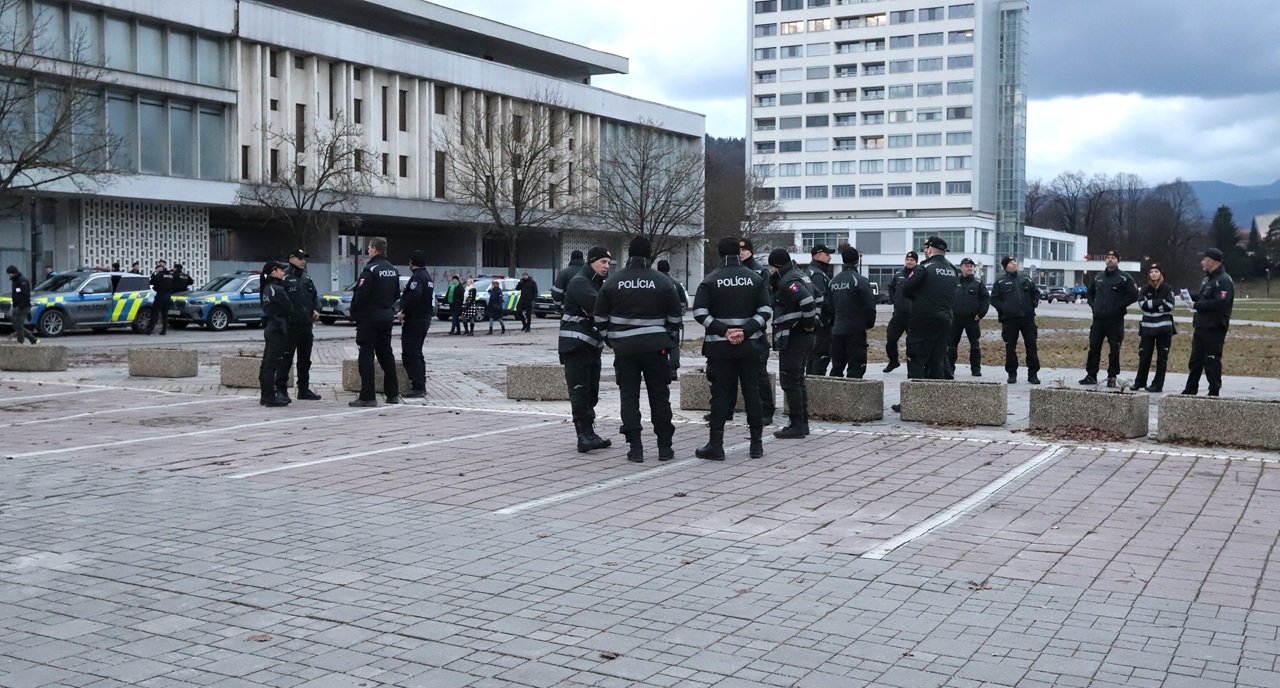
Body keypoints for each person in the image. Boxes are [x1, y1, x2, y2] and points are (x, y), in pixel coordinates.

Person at [595, 237, 683, 463]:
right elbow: (675, 317)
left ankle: (635, 448)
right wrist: (668, 338)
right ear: (649, 255)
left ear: (629, 254)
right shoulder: (662, 281)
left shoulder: (613, 281)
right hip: (657, 349)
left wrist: (611, 340)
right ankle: (665, 447)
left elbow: (600, 317)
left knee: (629, 397)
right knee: (660, 397)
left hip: (625, 350)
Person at [693, 237, 771, 460]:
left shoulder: (710, 280)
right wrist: (745, 330)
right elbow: (765, 309)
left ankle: (715, 446)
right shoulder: (755, 278)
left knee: (720, 396)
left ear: (719, 253)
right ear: (739, 251)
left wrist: (724, 330)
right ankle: (756, 445)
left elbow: (699, 313)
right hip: (750, 346)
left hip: (720, 349)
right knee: (752, 394)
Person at [560, 246, 613, 452]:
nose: (606, 266)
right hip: (576, 346)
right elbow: (597, 307)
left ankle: (590, 433)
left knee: (591, 392)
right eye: (603, 262)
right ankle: (583, 435)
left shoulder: (595, 283)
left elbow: (600, 308)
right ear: (591, 262)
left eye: (608, 263)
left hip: (590, 346)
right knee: (580, 392)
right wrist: (597, 310)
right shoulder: (580, 282)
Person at [768, 247, 817, 438]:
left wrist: (808, 324)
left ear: (776, 266)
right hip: (803, 337)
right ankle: (802, 423)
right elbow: (819, 296)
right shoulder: (801, 275)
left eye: (772, 268)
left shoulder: (788, 280)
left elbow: (807, 301)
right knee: (798, 379)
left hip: (794, 336)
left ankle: (796, 424)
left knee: (790, 380)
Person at [349, 237, 402, 407]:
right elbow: (396, 295)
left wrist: (354, 313)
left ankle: (367, 396)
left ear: (373, 249)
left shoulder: (370, 270)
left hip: (369, 319)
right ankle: (392, 394)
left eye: (370, 248)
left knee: (366, 356)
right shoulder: (393, 270)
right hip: (386, 318)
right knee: (386, 355)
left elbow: (360, 296)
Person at [900, 237, 957, 387]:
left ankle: (913, 399)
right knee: (937, 360)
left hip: (922, 320)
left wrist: (917, 298)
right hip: (944, 320)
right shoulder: (952, 269)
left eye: (926, 248)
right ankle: (935, 399)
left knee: (916, 359)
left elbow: (905, 289)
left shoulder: (924, 268)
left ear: (929, 250)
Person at [1080, 250, 1139, 387]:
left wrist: (1120, 306)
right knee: (1094, 347)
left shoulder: (1124, 278)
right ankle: (1091, 375)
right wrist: (1094, 306)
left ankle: (1112, 377)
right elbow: (1090, 293)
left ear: (1118, 261)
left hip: (1115, 320)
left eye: (1113, 258)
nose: (1110, 260)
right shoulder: (1098, 277)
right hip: (1098, 320)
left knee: (1114, 349)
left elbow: (1133, 295)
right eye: (1108, 258)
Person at [1182, 247, 1235, 396]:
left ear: (1211, 261)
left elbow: (1220, 303)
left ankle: (1214, 390)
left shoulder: (1224, 280)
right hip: (1201, 325)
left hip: (1214, 326)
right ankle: (1191, 388)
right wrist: (1190, 297)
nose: (1201, 262)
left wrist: (1197, 305)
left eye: (1204, 259)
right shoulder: (1208, 279)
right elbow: (1203, 297)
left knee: (1212, 359)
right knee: (1195, 360)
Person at [738, 238, 776, 424]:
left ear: (751, 251)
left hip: (755, 330)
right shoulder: (734, 271)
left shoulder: (761, 272)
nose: (741, 253)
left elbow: (767, 301)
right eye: (739, 250)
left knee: (759, 373)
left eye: (745, 250)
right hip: (735, 329)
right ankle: (727, 409)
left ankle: (766, 410)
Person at [279, 248, 322, 401]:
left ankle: (303, 389)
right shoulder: (283, 277)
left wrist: (317, 309)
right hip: (291, 326)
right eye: (299, 258)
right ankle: (281, 390)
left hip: (306, 325)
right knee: (286, 358)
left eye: (304, 258)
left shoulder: (306, 279)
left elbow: (315, 296)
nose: (303, 261)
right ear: (291, 259)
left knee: (305, 359)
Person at [990, 256, 1041, 385]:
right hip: (1009, 320)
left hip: (1027, 318)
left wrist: (1033, 304)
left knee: (1031, 345)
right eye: (1011, 262)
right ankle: (1012, 373)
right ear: (1005, 266)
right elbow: (994, 299)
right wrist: (1004, 309)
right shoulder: (1000, 282)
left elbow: (1036, 292)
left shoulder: (1026, 279)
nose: (1014, 264)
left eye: (1014, 262)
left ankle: (1033, 373)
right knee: (1010, 347)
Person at [827, 247, 876, 378]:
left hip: (837, 330)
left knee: (837, 366)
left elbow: (829, 307)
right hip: (855, 330)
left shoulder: (833, 281)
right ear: (857, 261)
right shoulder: (859, 280)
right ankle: (852, 397)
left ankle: (833, 395)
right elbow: (870, 305)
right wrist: (869, 323)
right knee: (856, 366)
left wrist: (834, 323)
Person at [1133, 263, 1175, 392]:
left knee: (1162, 358)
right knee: (1144, 356)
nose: (1153, 274)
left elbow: (1170, 306)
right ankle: (1139, 382)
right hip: (1147, 329)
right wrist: (1160, 302)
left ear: (1160, 274)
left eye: (1156, 271)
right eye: (1151, 272)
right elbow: (1142, 305)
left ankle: (1157, 384)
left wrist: (1151, 304)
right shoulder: (1144, 289)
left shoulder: (1168, 289)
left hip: (1164, 329)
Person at [258, 261, 295, 408]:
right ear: (273, 272)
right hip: (277, 329)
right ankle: (270, 397)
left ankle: (265, 395)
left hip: (270, 328)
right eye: (280, 270)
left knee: (266, 362)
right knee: (271, 364)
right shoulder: (276, 289)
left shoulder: (267, 288)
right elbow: (289, 308)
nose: (283, 272)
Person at [399, 250, 434, 398]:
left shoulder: (417, 278)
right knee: (417, 352)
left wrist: (404, 312)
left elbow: (415, 296)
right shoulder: (427, 276)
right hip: (424, 318)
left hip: (415, 319)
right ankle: (420, 384)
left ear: (412, 263)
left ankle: (418, 386)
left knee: (411, 352)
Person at [949, 257, 990, 378]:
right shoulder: (954, 282)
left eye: (971, 266)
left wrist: (981, 314)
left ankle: (975, 369)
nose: (970, 268)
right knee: (951, 345)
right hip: (955, 319)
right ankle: (950, 367)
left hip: (972, 319)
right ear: (961, 268)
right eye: (967, 266)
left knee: (975, 345)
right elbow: (947, 298)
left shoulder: (978, 283)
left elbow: (985, 299)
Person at [883, 251, 916, 372]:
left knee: (912, 343)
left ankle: (912, 366)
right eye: (907, 259)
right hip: (898, 314)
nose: (909, 262)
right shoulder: (898, 274)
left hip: (913, 315)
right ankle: (893, 361)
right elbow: (891, 288)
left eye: (912, 260)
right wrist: (893, 299)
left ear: (916, 262)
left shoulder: (919, 274)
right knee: (891, 338)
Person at [805, 245, 834, 375]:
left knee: (813, 357)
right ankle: (816, 391)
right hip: (821, 324)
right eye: (827, 255)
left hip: (816, 323)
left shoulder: (812, 271)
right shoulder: (817, 274)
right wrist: (831, 313)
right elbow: (821, 299)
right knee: (820, 357)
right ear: (818, 255)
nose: (830, 257)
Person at [656, 259, 686, 381]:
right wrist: (678, 317)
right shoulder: (676, 284)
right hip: (673, 321)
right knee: (674, 345)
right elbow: (683, 304)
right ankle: (673, 369)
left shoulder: (655, 282)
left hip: (658, 321)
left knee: (658, 345)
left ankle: (660, 368)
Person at [6, 265, 37, 345]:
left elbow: (26, 295)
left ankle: (21, 342)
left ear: (13, 273)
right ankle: (32, 338)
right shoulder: (15, 281)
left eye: (9, 273)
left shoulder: (22, 281)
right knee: (16, 325)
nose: (8, 275)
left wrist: (20, 306)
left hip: (22, 307)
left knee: (18, 325)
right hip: (17, 306)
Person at [148, 259, 175, 335]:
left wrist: (155, 274)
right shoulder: (170, 276)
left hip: (160, 296)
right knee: (165, 314)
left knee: (155, 312)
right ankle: (164, 330)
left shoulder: (159, 276)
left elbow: (151, 282)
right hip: (168, 296)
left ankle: (150, 329)